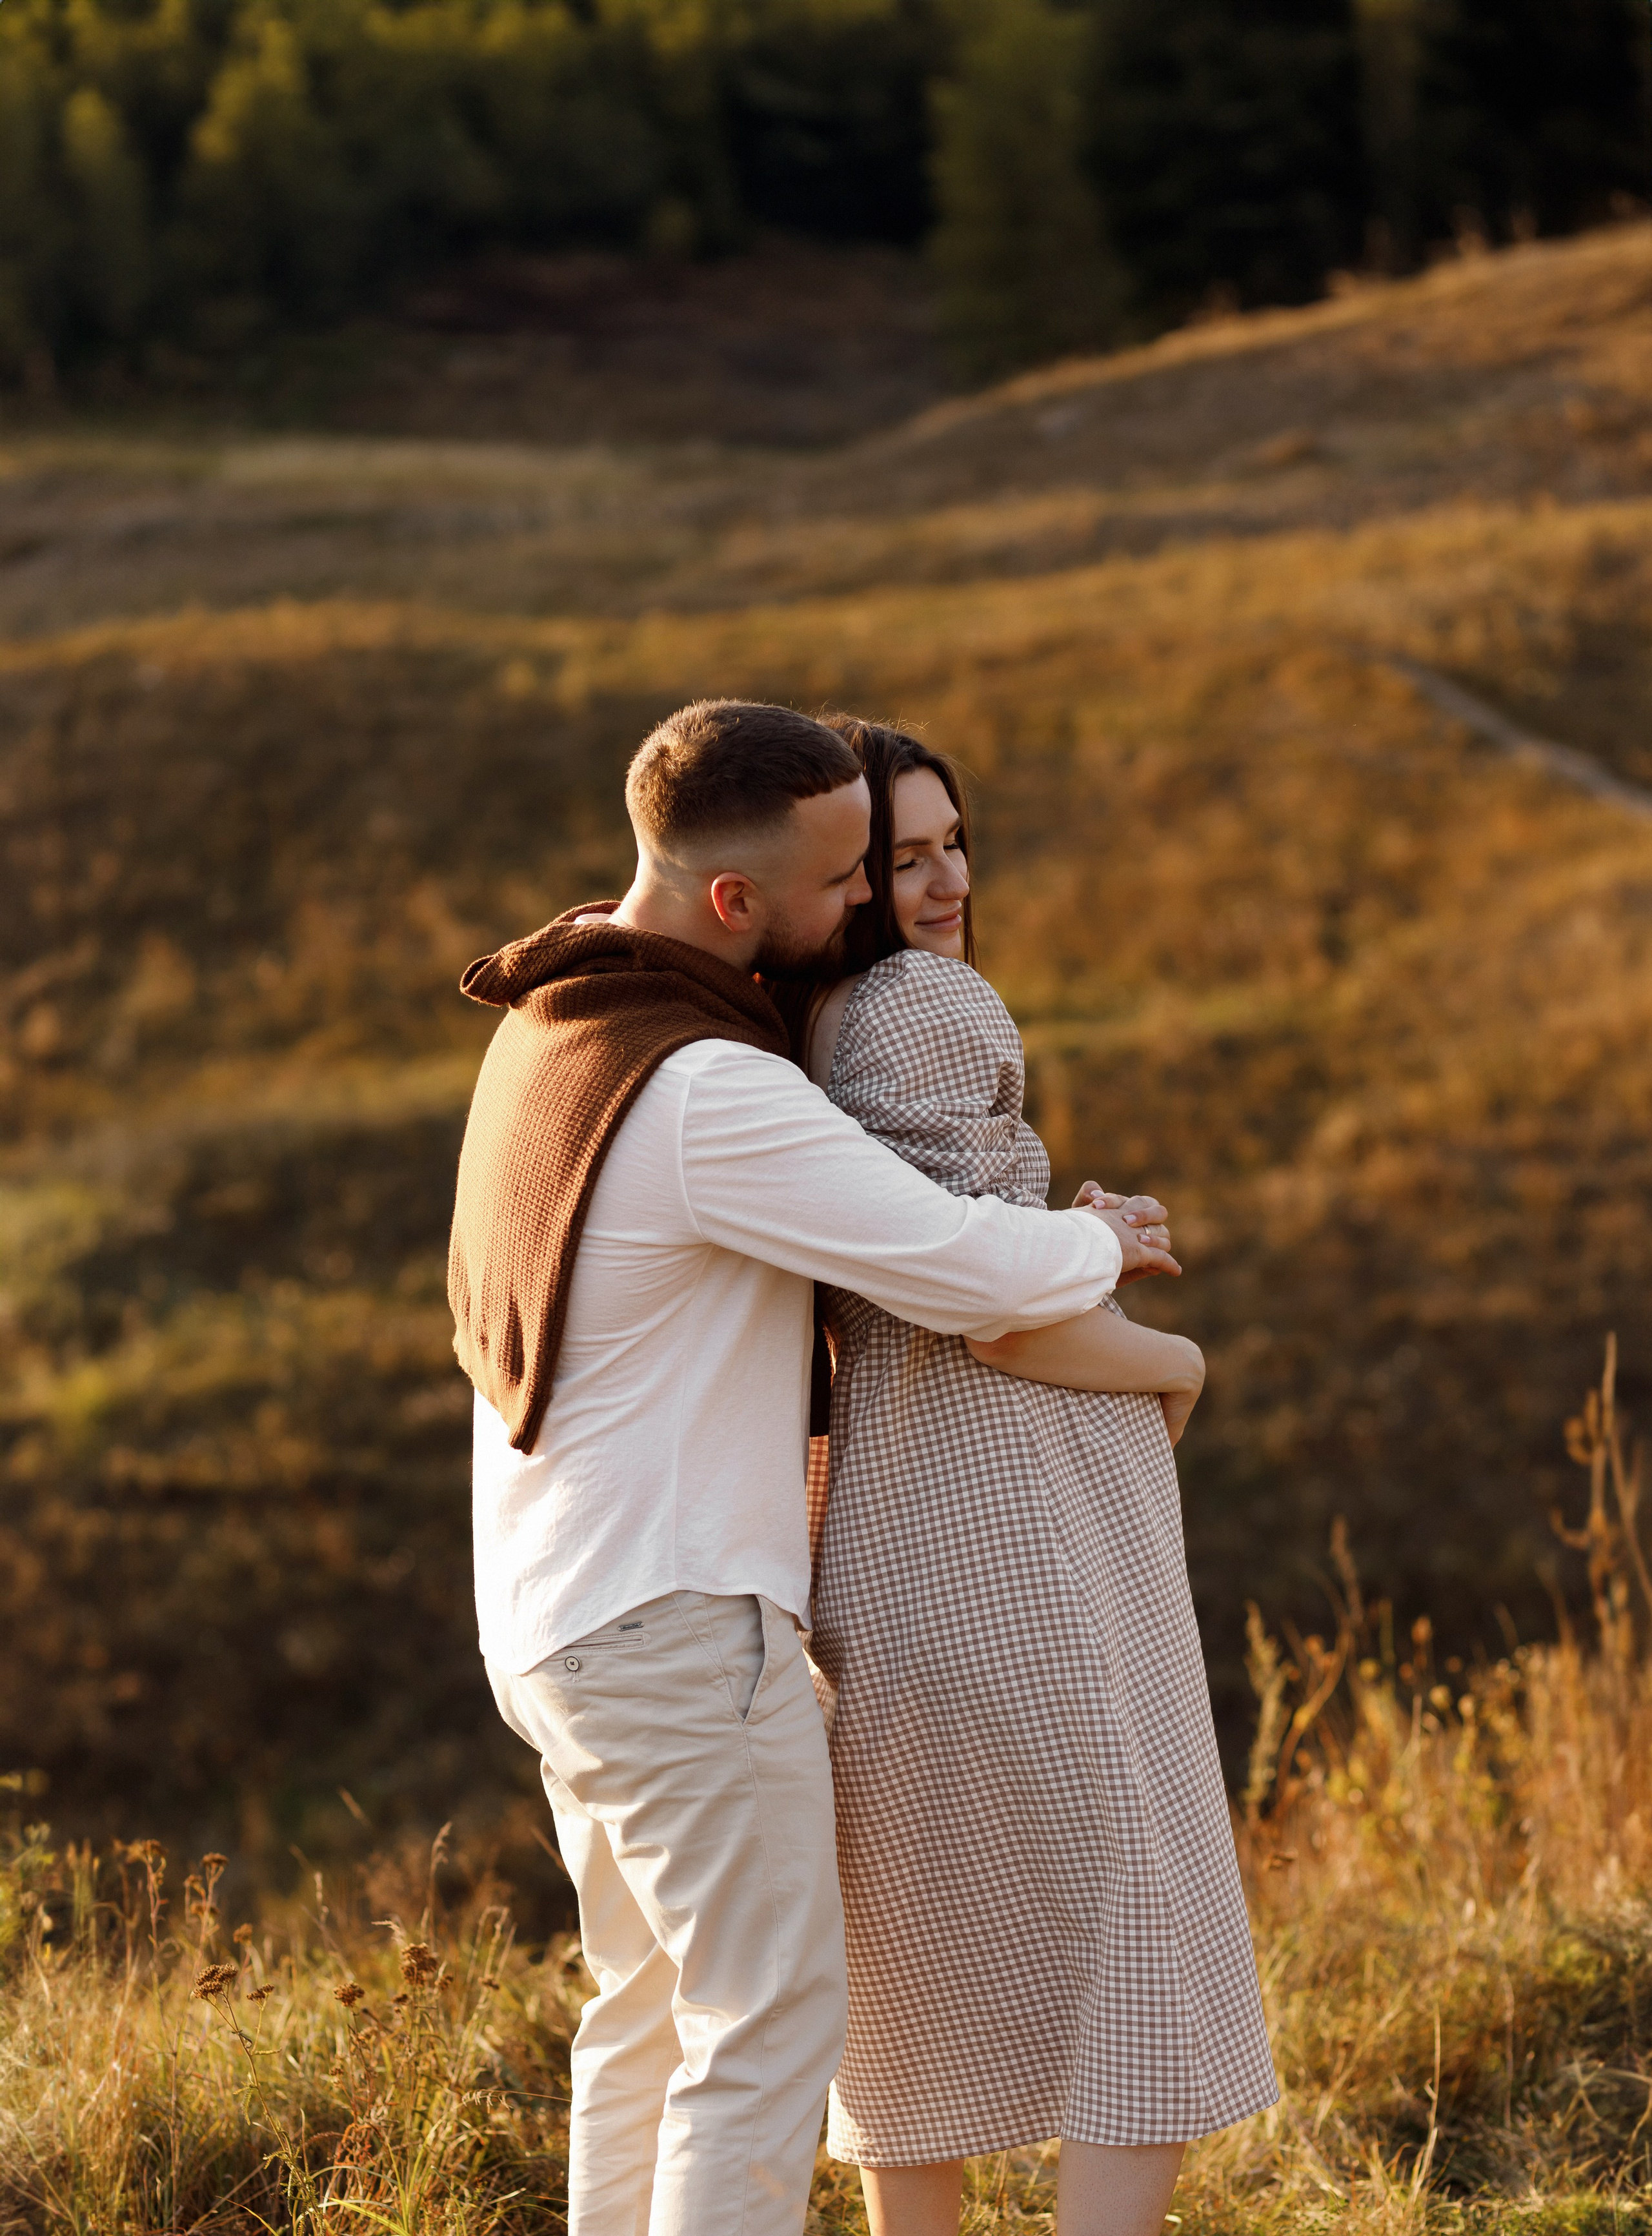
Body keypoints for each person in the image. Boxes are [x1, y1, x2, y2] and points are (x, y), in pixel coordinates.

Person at [445, 699, 1176, 2236]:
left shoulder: (558, 1015)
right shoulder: (708, 1089)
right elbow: (958, 1268)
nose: (872, 905)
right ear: (733, 903)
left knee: (646, 2020)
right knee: (766, 2031)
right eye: (846, 875)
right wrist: (1097, 1242)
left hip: (554, 1611)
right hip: (676, 1619)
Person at [793, 718, 1279, 2236]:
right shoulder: (922, 1008)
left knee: (918, 1962)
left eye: (952, 845)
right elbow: (1001, 1316)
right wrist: (1170, 1361)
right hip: (1016, 1541)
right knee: (1138, 1934)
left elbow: (959, 1258)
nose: (938, 884)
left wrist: (1072, 1233)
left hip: (882, 1538)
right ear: (839, 876)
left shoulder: (803, 1033)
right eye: (897, 858)